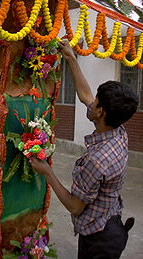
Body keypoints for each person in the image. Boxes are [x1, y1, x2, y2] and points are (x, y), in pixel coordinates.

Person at [31, 40, 138, 259]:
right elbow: (85, 95)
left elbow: (75, 207)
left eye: (97, 102)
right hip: (111, 221)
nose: (92, 102)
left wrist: (48, 173)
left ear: (102, 113)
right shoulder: (118, 130)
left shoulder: (97, 161)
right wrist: (70, 57)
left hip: (100, 239)